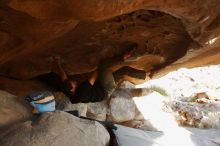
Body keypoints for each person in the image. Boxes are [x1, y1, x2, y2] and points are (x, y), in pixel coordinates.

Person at [52, 47, 147, 103]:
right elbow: (95, 75)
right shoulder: (82, 91)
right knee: (103, 66)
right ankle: (124, 56)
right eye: (72, 84)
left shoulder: (68, 91)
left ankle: (146, 75)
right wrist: (99, 67)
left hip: (102, 88)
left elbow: (64, 78)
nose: (74, 81)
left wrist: (57, 64)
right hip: (106, 89)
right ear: (72, 89)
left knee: (124, 70)